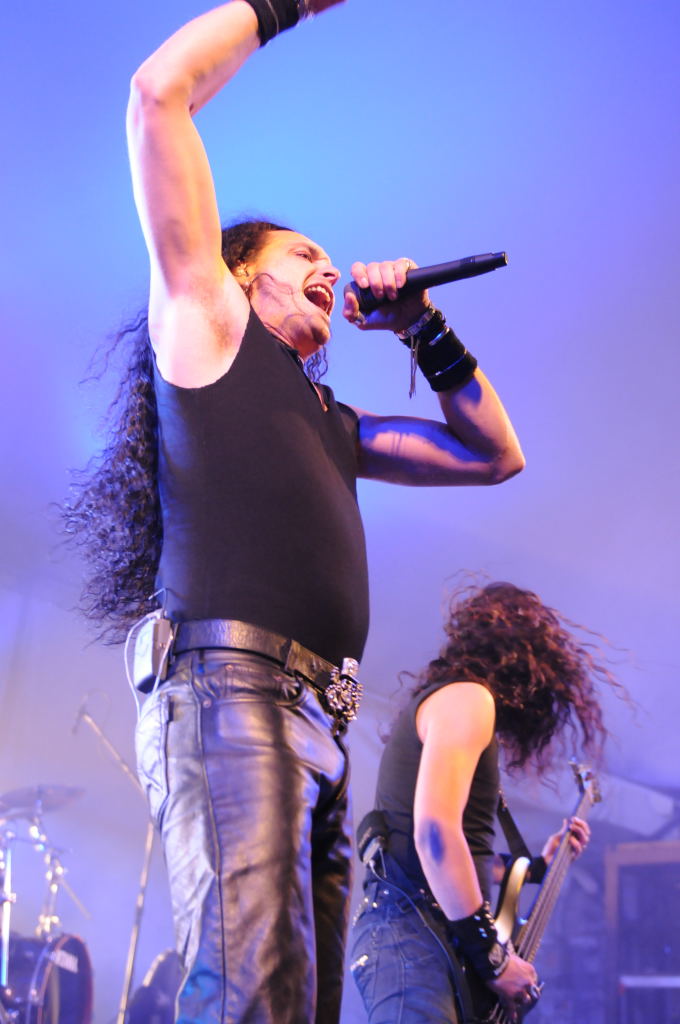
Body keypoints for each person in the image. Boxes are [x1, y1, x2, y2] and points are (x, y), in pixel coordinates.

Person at [64, 3, 525, 1022]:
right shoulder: (208, 328)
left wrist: (421, 325)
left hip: (320, 721)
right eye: (303, 252)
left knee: (296, 1005)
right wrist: (286, 6)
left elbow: (495, 454)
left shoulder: (337, 423)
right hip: (230, 696)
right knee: (252, 990)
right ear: (239, 272)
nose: (328, 267)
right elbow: (156, 94)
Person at [350, 581, 621, 1024]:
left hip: (426, 932)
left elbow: (459, 853)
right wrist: (492, 958)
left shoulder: (457, 703)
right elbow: (435, 835)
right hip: (417, 931)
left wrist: (535, 868)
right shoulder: (469, 698)